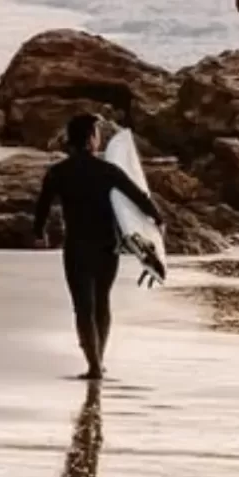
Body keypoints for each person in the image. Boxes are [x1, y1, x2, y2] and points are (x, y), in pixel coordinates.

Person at [31, 114, 159, 380]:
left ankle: (93, 365)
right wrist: (158, 224)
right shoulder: (108, 171)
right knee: (102, 302)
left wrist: (38, 234)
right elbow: (140, 198)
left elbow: (42, 207)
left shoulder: (58, 172)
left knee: (83, 307)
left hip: (77, 246)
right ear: (90, 138)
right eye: (97, 134)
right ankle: (98, 359)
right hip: (106, 247)